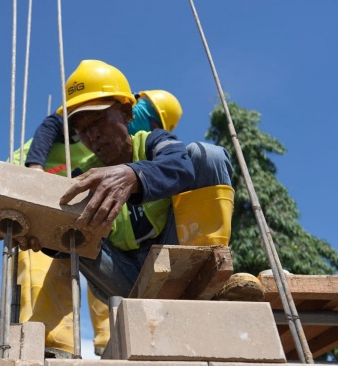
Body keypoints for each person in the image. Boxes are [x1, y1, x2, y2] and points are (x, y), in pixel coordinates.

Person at [16, 59, 234, 308]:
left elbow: (181, 166)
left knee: (207, 155)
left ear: (127, 113)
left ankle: (207, 268)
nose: (92, 136)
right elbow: (68, 242)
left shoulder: (152, 142)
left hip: (177, 259)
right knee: (70, 226)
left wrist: (133, 174)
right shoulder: (85, 175)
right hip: (126, 281)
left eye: (98, 121)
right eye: (82, 130)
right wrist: (40, 235)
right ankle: (139, 306)